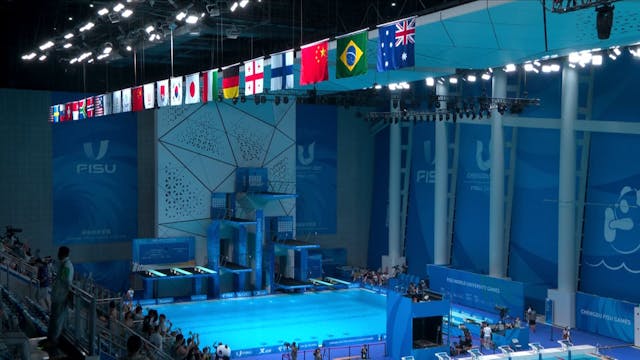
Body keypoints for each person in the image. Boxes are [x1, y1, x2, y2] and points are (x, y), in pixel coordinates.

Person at [46, 246, 74, 353]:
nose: (57, 254)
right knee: (54, 318)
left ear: (62, 254)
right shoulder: (63, 265)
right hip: (57, 296)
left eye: (58, 252)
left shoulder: (67, 266)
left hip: (61, 297)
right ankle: (51, 338)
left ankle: (54, 341)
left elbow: (66, 282)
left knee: (57, 319)